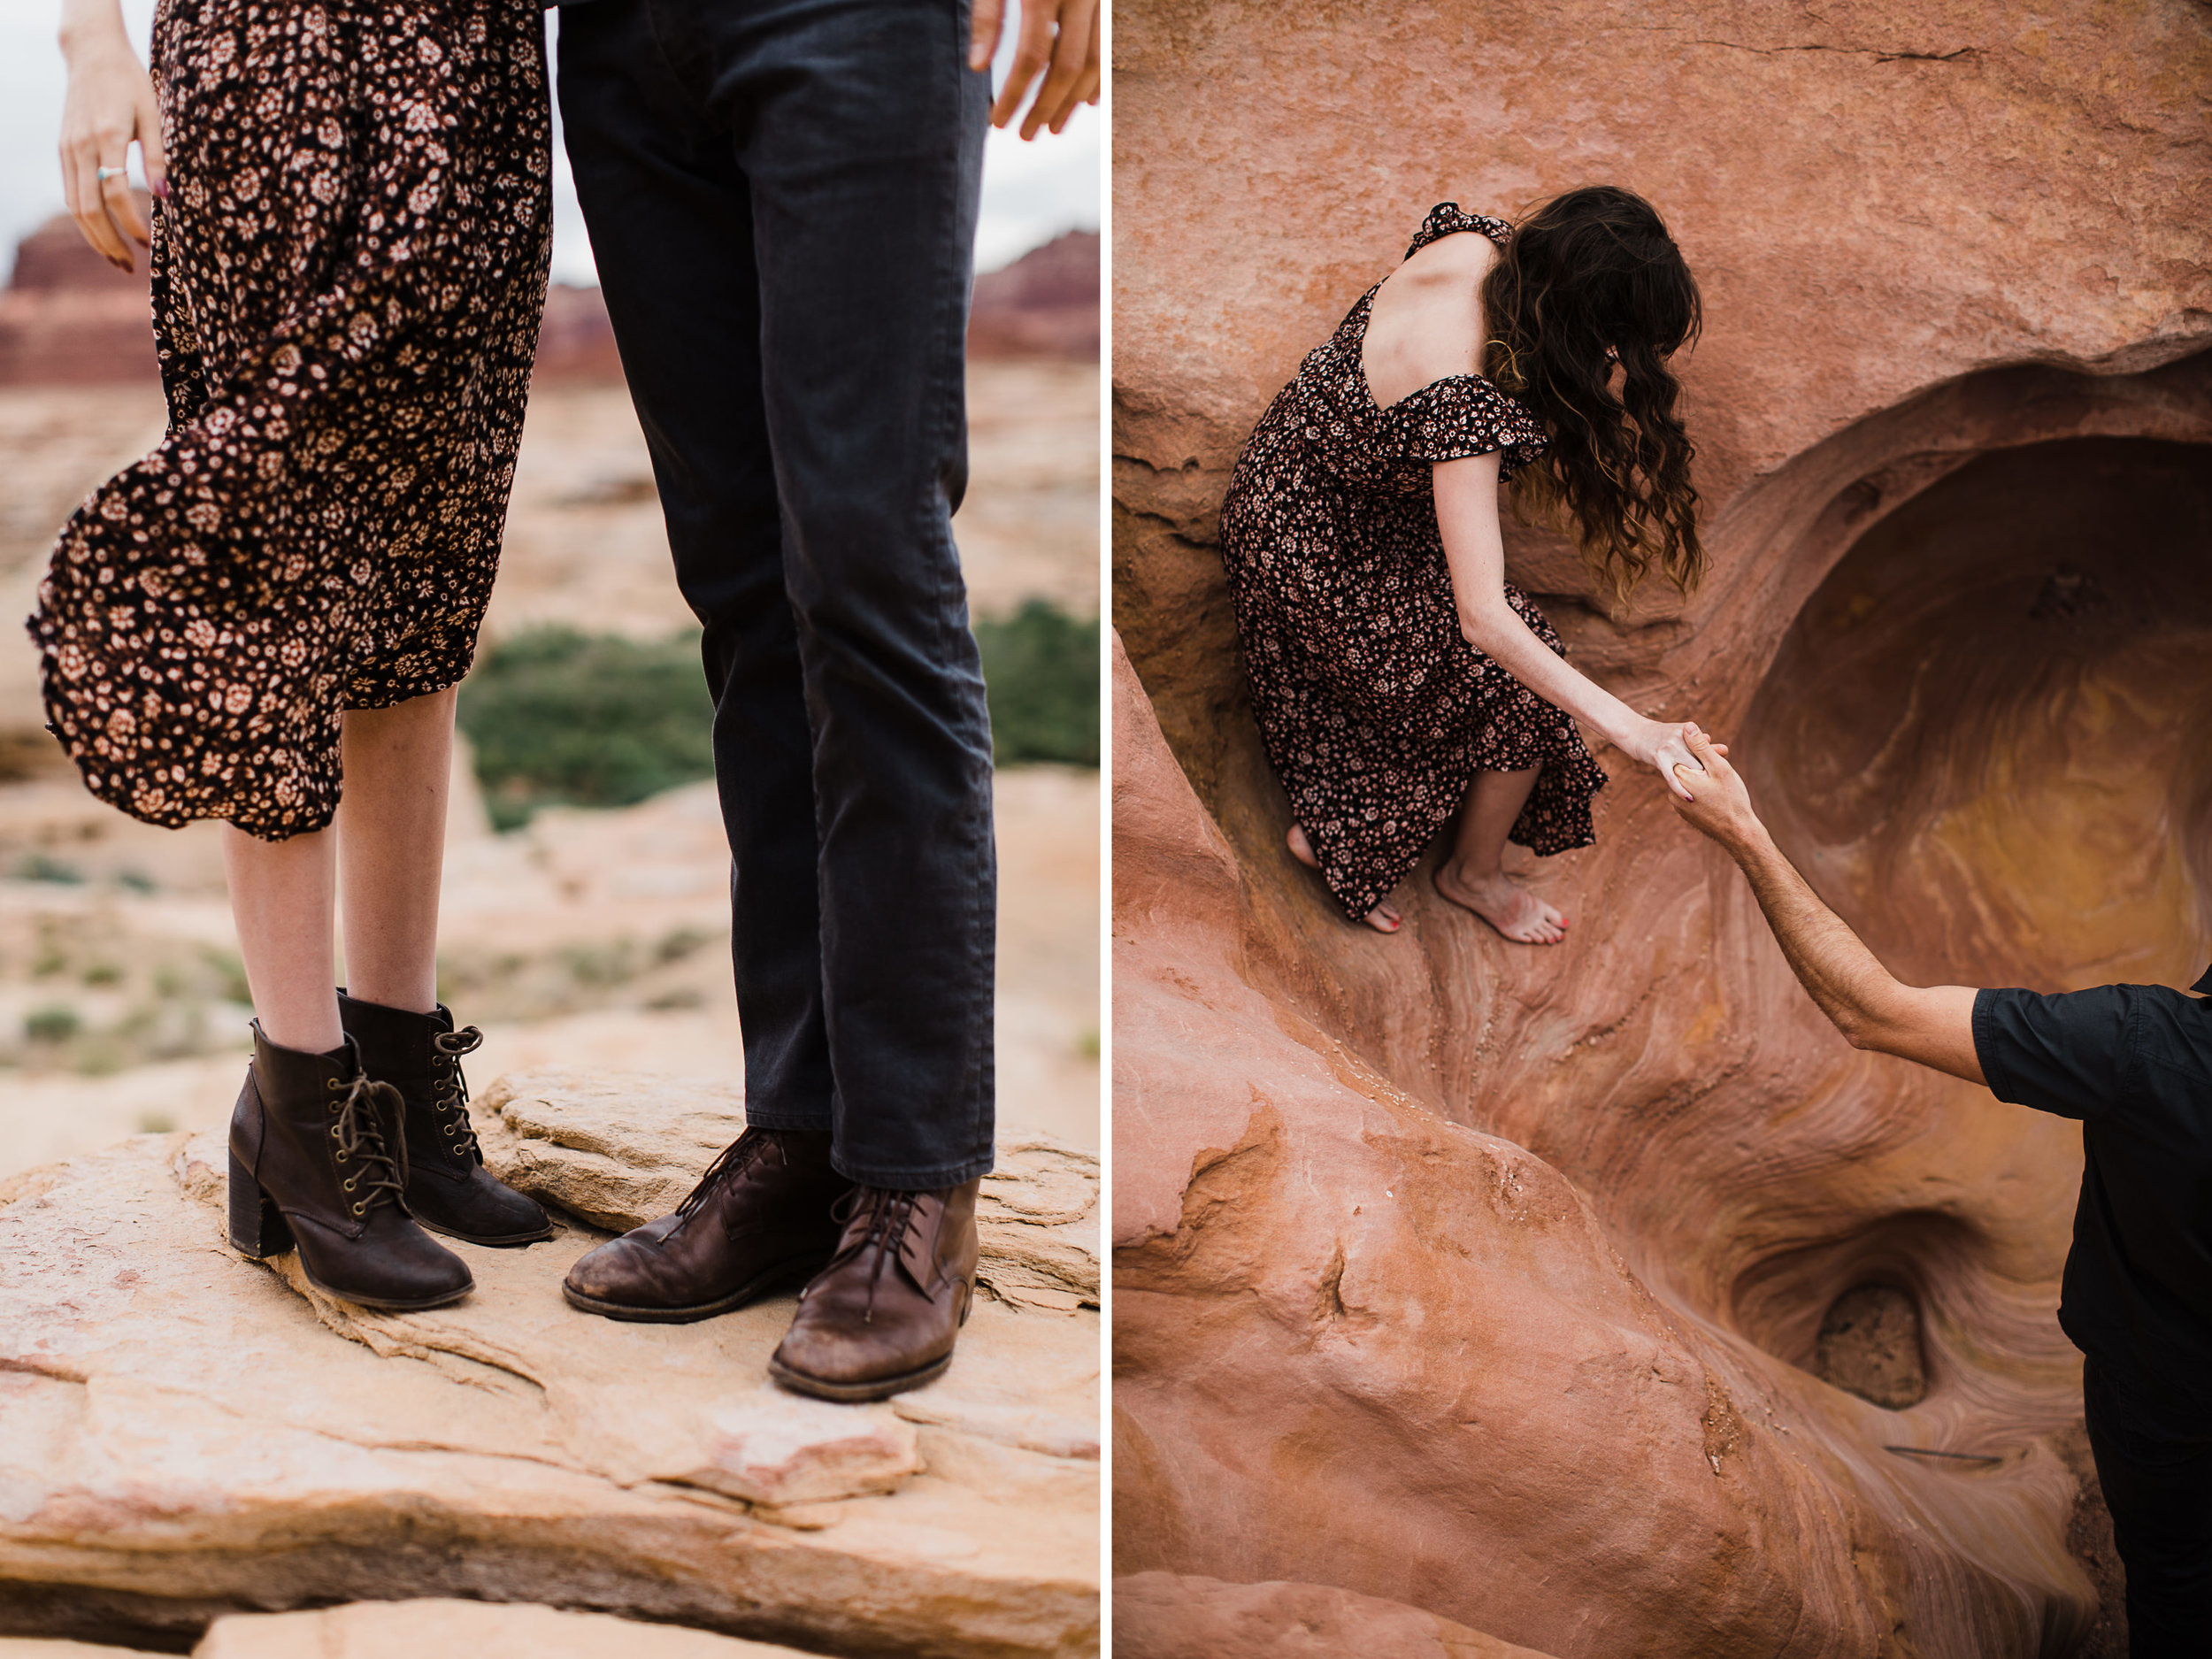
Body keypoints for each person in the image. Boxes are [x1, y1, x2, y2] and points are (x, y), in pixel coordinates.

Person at [549, 0, 1097, 1402]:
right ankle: (799, 1139)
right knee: (744, 585)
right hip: (624, 42)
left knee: (867, 563)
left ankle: (914, 1170)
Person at [33, 0, 555, 1310]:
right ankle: (303, 1104)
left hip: (481, 78)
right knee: (274, 572)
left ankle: (397, 1070)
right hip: (270, 62)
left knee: (426, 580)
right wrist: (90, 41)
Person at [1669, 726, 2212, 1657]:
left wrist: (1745, 833)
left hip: (2163, 1399)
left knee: (2171, 1588)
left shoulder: (2142, 1046)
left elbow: (1871, 1009)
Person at [1219, 188, 1710, 941]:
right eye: (1614, 341)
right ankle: (1460, 871)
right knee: (1524, 684)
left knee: (1491, 665)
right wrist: (1635, 730)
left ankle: (1353, 815)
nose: (1614, 361)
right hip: (1319, 551)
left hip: (1287, 480)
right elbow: (1483, 619)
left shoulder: (1480, 246)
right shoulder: (1462, 401)